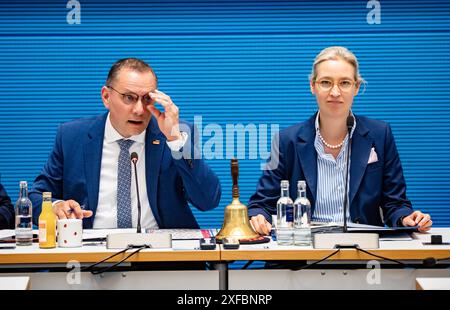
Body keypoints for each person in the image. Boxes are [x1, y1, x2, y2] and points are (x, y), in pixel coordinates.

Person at [248, 46, 432, 235]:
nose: (335, 92)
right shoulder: (285, 140)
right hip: (303, 253)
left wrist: (407, 218)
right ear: (313, 86)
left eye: (344, 83)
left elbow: (395, 203)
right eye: (326, 82)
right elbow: (261, 204)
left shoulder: (380, 134)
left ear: (356, 87)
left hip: (363, 253)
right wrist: (259, 216)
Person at [30, 58, 221, 229]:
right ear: (106, 97)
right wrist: (56, 207)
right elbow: (35, 197)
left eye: (147, 99)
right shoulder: (72, 136)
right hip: (90, 256)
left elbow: (208, 200)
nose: (139, 110)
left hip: (161, 258)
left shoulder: (175, 134)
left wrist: (175, 139)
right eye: (129, 98)